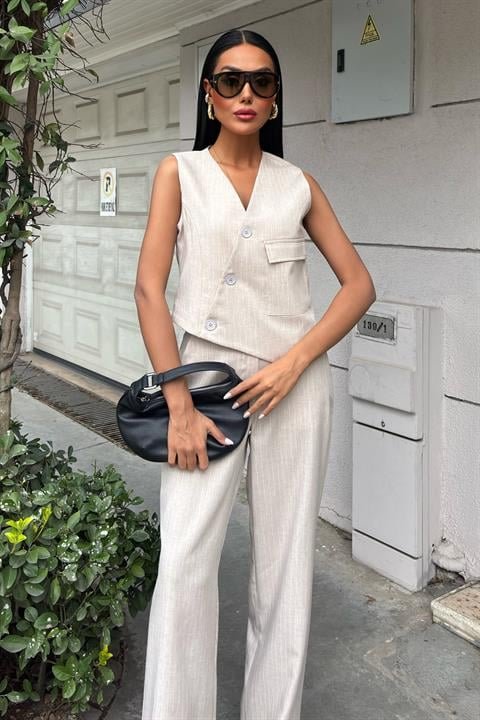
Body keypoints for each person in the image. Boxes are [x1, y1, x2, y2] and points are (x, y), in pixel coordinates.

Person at [135, 27, 376, 720]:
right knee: (185, 563)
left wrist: (296, 362)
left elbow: (359, 285)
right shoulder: (179, 173)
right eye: (231, 80)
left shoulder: (298, 185)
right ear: (209, 94)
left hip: (294, 389)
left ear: (275, 99)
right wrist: (178, 404)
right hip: (203, 388)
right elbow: (149, 290)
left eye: (262, 81)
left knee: (285, 566)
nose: (246, 93)